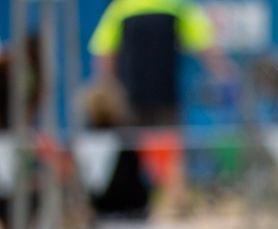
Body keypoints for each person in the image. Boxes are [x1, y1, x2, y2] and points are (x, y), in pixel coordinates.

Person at [88, 0, 230, 212]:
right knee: (170, 156)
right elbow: (205, 45)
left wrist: (105, 86)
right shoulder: (178, 5)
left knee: (131, 155)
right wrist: (224, 73)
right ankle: (177, 206)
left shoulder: (122, 7)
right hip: (163, 94)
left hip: (131, 96)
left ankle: (145, 207)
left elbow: (103, 52)